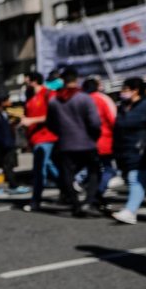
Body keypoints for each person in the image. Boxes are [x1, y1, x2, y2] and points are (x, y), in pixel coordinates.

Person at [110, 78, 146, 225]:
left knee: (135, 179)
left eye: (125, 89)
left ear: (135, 90)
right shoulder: (123, 107)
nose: (122, 92)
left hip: (145, 150)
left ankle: (130, 210)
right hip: (127, 149)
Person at [46, 67, 102, 218]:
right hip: (86, 142)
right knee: (94, 172)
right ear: (76, 79)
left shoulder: (54, 101)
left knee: (67, 175)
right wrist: (93, 135)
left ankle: (75, 204)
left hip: (65, 143)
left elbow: (50, 123)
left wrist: (61, 133)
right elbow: (95, 122)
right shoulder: (84, 98)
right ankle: (89, 201)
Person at [20, 72, 59, 213]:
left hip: (46, 137)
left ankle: (35, 201)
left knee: (39, 170)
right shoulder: (30, 97)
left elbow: (53, 114)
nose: (25, 83)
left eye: (27, 80)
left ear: (34, 81)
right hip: (35, 139)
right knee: (49, 166)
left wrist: (31, 120)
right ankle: (69, 187)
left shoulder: (48, 94)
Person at [83, 77, 118, 210]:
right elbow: (113, 119)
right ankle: (97, 193)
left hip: (85, 142)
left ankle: (93, 195)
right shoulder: (103, 99)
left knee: (93, 170)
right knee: (109, 169)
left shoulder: (82, 99)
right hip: (105, 140)